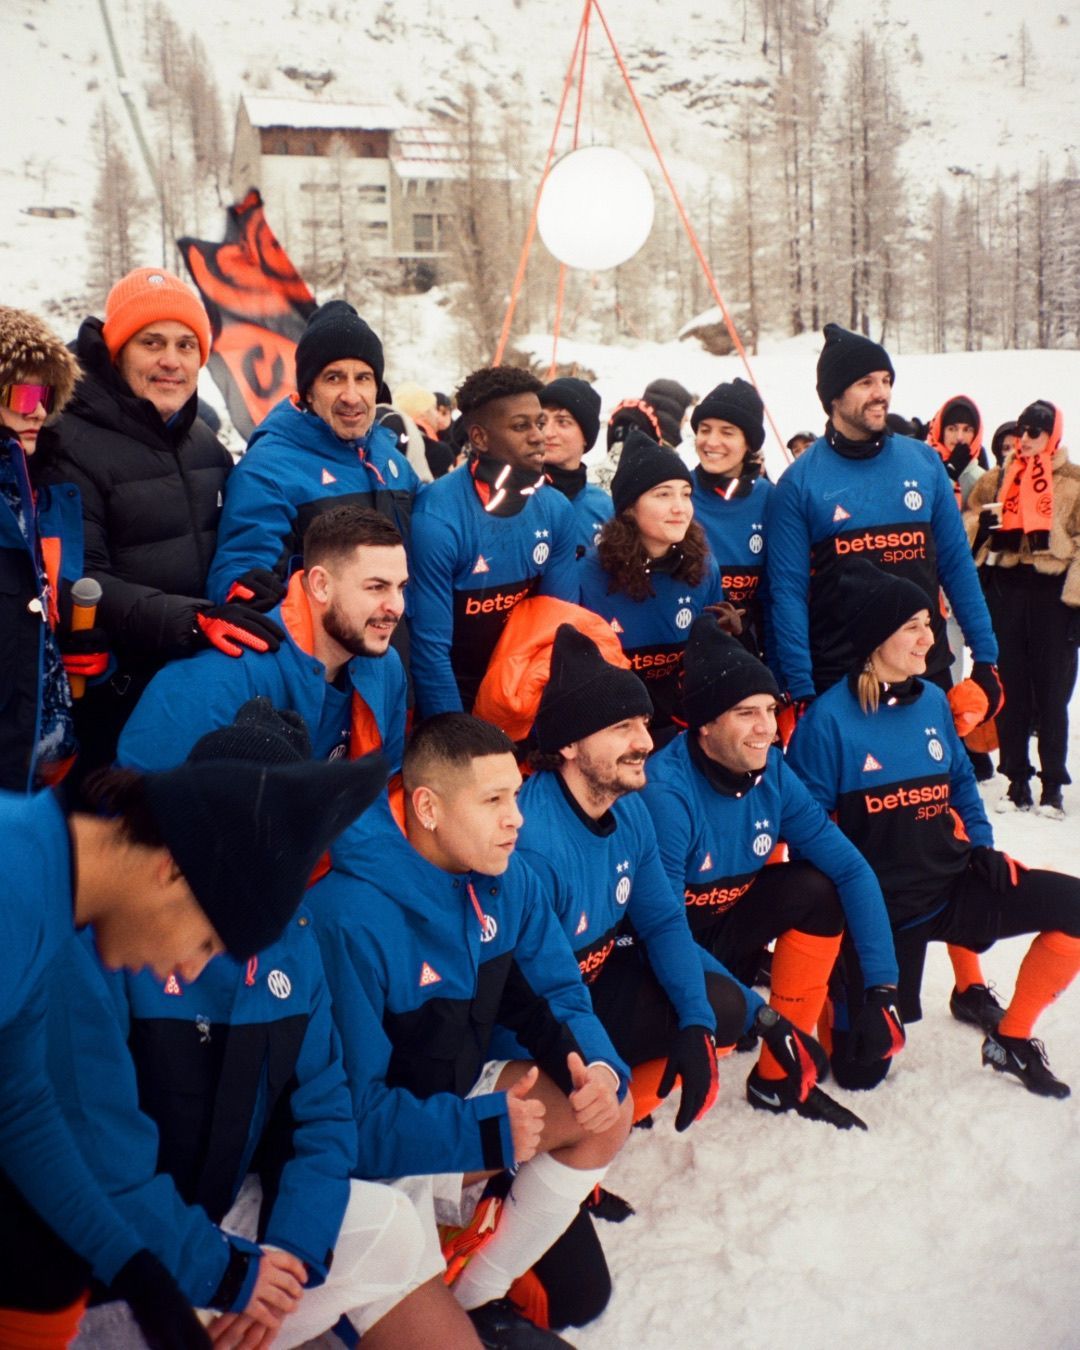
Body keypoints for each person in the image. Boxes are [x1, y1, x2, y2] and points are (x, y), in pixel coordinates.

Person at [67, 702, 476, 1350]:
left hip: (221, 1226)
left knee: (392, 1227)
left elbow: (325, 1115)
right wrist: (230, 1276)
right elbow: (98, 1166)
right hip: (106, 1261)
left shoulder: (292, 942)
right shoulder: (109, 943)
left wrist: (289, 1256)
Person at [0, 717, 387, 1343]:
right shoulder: (13, 886)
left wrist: (141, 1275)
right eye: (207, 942)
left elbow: (20, 1111)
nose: (187, 970)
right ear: (174, 870)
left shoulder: (47, 899)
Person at [308, 714, 633, 1348]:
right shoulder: (347, 916)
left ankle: (475, 1293)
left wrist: (595, 1066)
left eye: (516, 795)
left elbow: (558, 995)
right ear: (428, 808)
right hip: (373, 1167)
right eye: (493, 801)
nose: (516, 819)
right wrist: (479, 1133)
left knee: (607, 1109)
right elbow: (345, 1122)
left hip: (460, 1109)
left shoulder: (510, 878)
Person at [504, 624, 832, 1133]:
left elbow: (662, 923)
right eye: (622, 727)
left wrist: (731, 1020)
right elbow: (535, 1000)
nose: (644, 741)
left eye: (643, 722)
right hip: (529, 1028)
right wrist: (603, 1074)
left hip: (588, 986)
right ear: (568, 744)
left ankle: (605, 1127)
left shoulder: (627, 807)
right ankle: (568, 1142)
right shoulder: (532, 846)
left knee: (716, 1009)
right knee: (599, 1094)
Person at [786, 561, 1080, 1098]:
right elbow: (805, 836)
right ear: (875, 641)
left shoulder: (930, 703)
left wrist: (983, 846)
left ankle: (1011, 1039)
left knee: (1074, 907)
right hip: (880, 913)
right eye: (913, 627)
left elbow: (962, 782)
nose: (930, 638)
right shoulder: (827, 722)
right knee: (859, 1073)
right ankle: (837, 992)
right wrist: (842, 932)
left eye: (929, 623)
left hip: (948, 885)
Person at [642, 614, 899, 1129]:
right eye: (746, 713)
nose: (767, 727)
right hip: (657, 950)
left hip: (720, 927)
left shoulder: (772, 771)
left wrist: (882, 989)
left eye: (769, 709)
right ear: (705, 724)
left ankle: (777, 1080)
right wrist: (764, 1017)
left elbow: (851, 869)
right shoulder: (666, 792)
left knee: (817, 889)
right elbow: (659, 930)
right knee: (706, 1029)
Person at [36, 268, 281, 792]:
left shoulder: (206, 444)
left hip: (198, 689)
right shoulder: (66, 442)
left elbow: (229, 548)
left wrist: (250, 582)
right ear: (117, 352)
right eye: (152, 343)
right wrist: (194, 620)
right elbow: (78, 579)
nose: (172, 360)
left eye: (186, 345)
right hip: (109, 697)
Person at [765, 323, 1001, 709]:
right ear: (834, 396)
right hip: (841, 681)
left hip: (924, 672)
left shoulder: (923, 463)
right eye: (866, 383)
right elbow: (787, 594)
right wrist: (800, 688)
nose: (882, 393)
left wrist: (986, 658)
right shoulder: (799, 483)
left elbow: (956, 565)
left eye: (886, 380)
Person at [120, 506, 409, 791]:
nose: (396, 606)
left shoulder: (384, 666)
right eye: (376, 587)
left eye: (401, 587)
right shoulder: (219, 677)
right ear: (321, 585)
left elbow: (388, 787)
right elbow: (133, 806)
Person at [207, 299, 421, 603]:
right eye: (334, 378)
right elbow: (240, 579)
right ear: (309, 391)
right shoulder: (266, 470)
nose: (351, 396)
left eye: (363, 378)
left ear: (377, 388)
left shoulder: (389, 458)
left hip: (399, 633)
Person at [408, 365, 578, 718]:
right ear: (480, 438)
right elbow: (430, 652)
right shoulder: (437, 517)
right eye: (521, 426)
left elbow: (556, 631)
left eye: (539, 423)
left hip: (519, 688)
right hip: (453, 688)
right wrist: (459, 737)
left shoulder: (556, 509)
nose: (539, 436)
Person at [0, 305, 106, 793]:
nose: (38, 411)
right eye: (24, 394)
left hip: (44, 771)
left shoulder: (49, 493)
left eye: (45, 395)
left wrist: (82, 652)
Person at [965, 400, 1080, 818]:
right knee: (1010, 689)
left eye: (1036, 432)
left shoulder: (1073, 481)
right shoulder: (997, 478)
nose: (1025, 439)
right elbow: (968, 521)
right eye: (1022, 431)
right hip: (1007, 587)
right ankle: (1015, 780)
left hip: (1054, 594)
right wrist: (984, 528)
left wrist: (1076, 601)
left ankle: (1052, 785)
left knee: (1053, 693)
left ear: (1053, 435)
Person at [578, 429, 725, 745]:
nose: (680, 507)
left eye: (686, 493)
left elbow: (708, 664)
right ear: (630, 507)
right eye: (663, 494)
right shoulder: (588, 575)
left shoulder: (703, 568)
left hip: (678, 730)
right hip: (609, 732)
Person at [689, 378, 773, 660]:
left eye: (727, 432)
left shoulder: (771, 499)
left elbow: (778, 595)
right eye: (704, 430)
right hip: (684, 651)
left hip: (745, 655)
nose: (712, 442)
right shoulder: (677, 493)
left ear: (749, 442)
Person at [540, 376, 613, 558]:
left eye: (562, 422)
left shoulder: (604, 508)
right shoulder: (515, 497)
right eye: (541, 422)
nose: (547, 433)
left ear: (586, 436)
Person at [642, 377, 694, 449]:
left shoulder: (636, 444)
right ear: (673, 411)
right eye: (684, 410)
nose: (687, 418)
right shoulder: (659, 452)